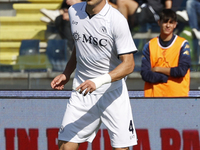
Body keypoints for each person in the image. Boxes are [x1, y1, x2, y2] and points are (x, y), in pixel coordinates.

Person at [51, 0, 138, 149]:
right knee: (65, 146)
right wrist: (67, 73)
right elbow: (79, 46)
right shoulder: (73, 11)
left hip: (112, 93)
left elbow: (129, 65)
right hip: (82, 91)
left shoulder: (117, 20)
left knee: (121, 148)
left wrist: (97, 82)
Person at [140, 9, 191, 97]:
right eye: (165, 22)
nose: (168, 25)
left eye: (171, 22)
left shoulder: (182, 44)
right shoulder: (150, 45)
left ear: (175, 25)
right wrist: (165, 77)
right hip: (153, 97)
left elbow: (182, 71)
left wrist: (157, 69)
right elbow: (145, 74)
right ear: (159, 22)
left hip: (178, 97)